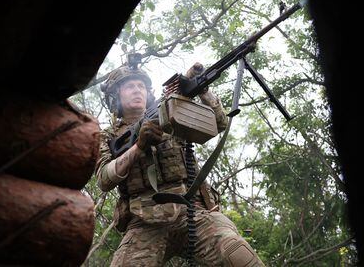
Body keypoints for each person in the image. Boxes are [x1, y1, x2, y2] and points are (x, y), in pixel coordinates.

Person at [96, 59, 266, 267]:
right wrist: (139, 146)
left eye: (141, 86)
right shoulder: (107, 137)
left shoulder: (169, 111)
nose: (137, 90)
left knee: (237, 255)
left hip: (192, 211)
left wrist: (201, 89)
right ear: (115, 96)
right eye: (130, 86)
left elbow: (220, 122)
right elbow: (104, 178)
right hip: (145, 221)